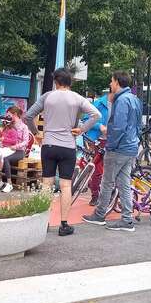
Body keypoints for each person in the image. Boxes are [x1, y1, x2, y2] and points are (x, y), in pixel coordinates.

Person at [24, 68, 101, 236]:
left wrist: (36, 134)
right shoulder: (77, 98)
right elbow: (96, 114)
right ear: (70, 82)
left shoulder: (47, 97)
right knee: (66, 185)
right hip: (68, 146)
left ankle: (43, 223)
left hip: (49, 145)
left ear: (56, 82)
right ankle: (64, 224)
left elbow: (27, 116)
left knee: (47, 184)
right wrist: (81, 129)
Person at [83, 71, 142, 232]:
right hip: (130, 147)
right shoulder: (134, 99)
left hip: (118, 148)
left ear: (117, 82)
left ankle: (99, 215)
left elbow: (119, 127)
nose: (110, 84)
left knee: (107, 182)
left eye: (111, 81)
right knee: (123, 184)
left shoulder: (121, 100)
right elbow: (137, 125)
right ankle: (127, 219)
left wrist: (111, 144)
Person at [83, 90, 111, 206]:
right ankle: (95, 195)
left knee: (111, 170)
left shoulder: (122, 104)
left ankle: (110, 196)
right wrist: (100, 127)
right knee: (97, 170)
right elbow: (86, 120)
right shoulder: (99, 103)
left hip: (113, 141)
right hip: (97, 141)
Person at [0, 106, 30, 193]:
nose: (6, 117)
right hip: (7, 148)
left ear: (15, 114)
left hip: (19, 151)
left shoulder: (24, 127)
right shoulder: (8, 125)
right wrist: (1, 142)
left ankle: (9, 184)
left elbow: (26, 142)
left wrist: (15, 146)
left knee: (6, 158)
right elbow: (4, 138)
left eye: (9, 115)